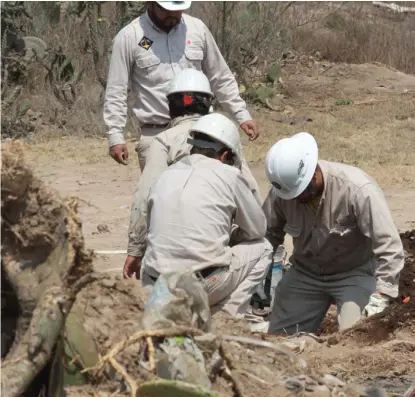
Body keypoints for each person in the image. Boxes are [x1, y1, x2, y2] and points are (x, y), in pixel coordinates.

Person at [123, 113, 272, 317]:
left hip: (156, 286)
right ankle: (224, 317)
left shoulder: (165, 175)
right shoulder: (229, 174)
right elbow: (257, 229)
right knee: (263, 248)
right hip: (202, 285)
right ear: (225, 156)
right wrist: (232, 239)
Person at [261, 132, 404, 334]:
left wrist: (382, 295)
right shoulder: (283, 192)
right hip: (306, 273)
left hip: (354, 273)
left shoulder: (357, 189)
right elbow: (267, 234)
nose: (297, 198)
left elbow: (389, 246)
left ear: (314, 173)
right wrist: (259, 273)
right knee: (279, 340)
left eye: (302, 191)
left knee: (355, 339)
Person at [124, 69, 262, 274]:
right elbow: (250, 191)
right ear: (208, 104)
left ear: (170, 107)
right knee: (260, 245)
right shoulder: (223, 135)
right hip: (212, 251)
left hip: (166, 259)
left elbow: (145, 196)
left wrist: (135, 249)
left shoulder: (164, 140)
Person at [104, 1, 258, 171]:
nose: (173, 14)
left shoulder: (197, 29)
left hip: (200, 131)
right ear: (150, 3)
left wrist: (241, 114)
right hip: (156, 135)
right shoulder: (129, 37)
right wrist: (115, 136)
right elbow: (116, 91)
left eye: (178, 10)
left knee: (211, 190)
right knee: (158, 194)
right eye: (166, 10)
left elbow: (220, 76)